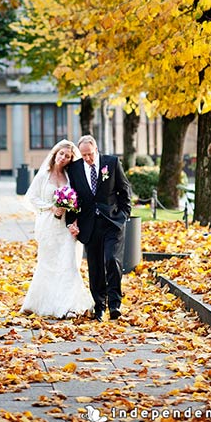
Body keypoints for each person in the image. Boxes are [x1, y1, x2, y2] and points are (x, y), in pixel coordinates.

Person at [20, 139, 94, 319]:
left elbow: (80, 199)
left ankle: (69, 305)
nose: (64, 158)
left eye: (68, 156)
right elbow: (31, 198)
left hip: (66, 227)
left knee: (68, 263)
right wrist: (51, 207)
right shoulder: (43, 175)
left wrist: (74, 216)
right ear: (55, 154)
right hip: (49, 225)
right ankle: (42, 303)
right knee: (48, 263)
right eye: (62, 154)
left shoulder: (71, 176)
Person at [66, 135, 132, 322]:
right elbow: (73, 198)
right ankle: (99, 306)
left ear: (96, 149)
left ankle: (115, 305)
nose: (87, 158)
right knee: (95, 268)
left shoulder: (111, 163)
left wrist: (124, 214)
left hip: (112, 222)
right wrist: (72, 222)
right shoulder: (75, 169)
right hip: (90, 225)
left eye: (90, 154)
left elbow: (124, 189)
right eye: (84, 155)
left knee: (112, 261)